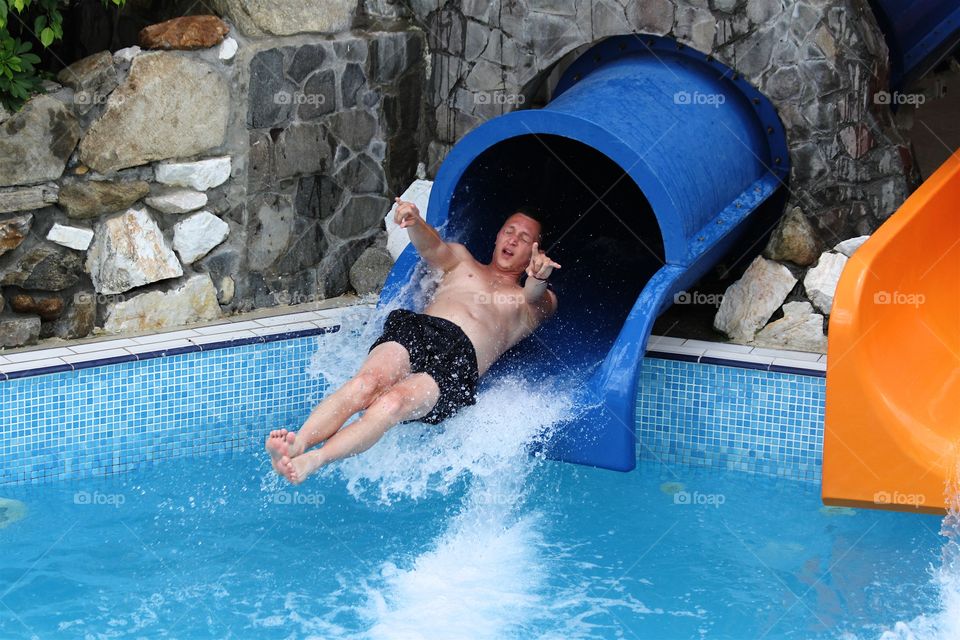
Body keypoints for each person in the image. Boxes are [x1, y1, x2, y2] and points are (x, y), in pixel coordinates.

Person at [266, 198, 561, 484]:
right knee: (366, 384)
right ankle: (297, 444)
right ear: (497, 236)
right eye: (509, 231)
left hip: (458, 362)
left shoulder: (526, 302)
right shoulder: (461, 260)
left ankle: (314, 461)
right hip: (420, 330)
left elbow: (537, 297)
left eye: (524, 238)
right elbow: (432, 246)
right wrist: (414, 221)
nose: (512, 240)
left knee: (391, 404)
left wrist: (538, 278)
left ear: (535, 253)